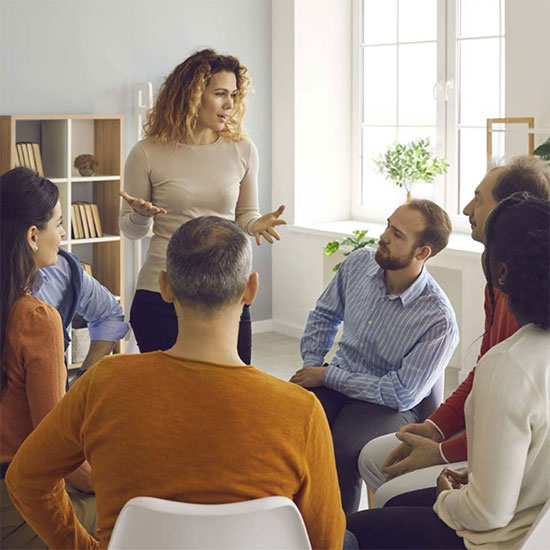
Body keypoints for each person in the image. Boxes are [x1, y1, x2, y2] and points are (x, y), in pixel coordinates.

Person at [6, 216, 345, 550]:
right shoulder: (301, 413)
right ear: (251, 289)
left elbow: (26, 480)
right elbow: (325, 541)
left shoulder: (104, 384)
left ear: (165, 286)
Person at [347, 193, 550, 549]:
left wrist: (445, 496)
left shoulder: (509, 365)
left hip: (499, 538)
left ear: (501, 271)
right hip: (535, 524)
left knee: (351, 530)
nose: (467, 209)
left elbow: (488, 514)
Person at [290, 199, 459, 515]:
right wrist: (312, 364)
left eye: (397, 234)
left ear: (422, 253)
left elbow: (401, 392)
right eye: (387, 225)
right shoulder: (358, 264)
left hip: (386, 404)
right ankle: (291, 519)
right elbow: (324, 315)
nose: (383, 236)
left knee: (341, 448)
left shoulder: (438, 319)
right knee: (290, 424)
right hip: (336, 377)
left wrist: (326, 376)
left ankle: (339, 535)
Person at [120, 48, 286, 361]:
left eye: (234, 94)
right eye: (220, 93)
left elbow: (244, 215)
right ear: (192, 95)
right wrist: (141, 217)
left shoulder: (243, 150)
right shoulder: (146, 153)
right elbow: (129, 229)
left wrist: (254, 223)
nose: (230, 104)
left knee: (232, 393)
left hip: (226, 289)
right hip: (163, 290)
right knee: (169, 398)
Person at [0, 167, 96, 549]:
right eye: (58, 224)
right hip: (18, 505)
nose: (63, 235)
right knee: (132, 513)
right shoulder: (36, 319)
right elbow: (56, 448)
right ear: (32, 236)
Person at [31, 249, 129, 381]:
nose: (63, 233)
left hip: (55, 391)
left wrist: (82, 382)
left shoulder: (64, 269)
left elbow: (109, 314)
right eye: (57, 227)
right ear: (32, 236)